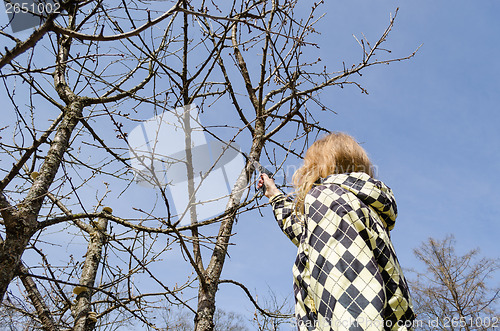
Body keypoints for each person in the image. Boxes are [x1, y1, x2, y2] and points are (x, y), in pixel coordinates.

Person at [258, 132, 415, 331]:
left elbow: (351, 290)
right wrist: (274, 195)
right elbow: (307, 235)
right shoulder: (361, 205)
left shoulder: (327, 198)